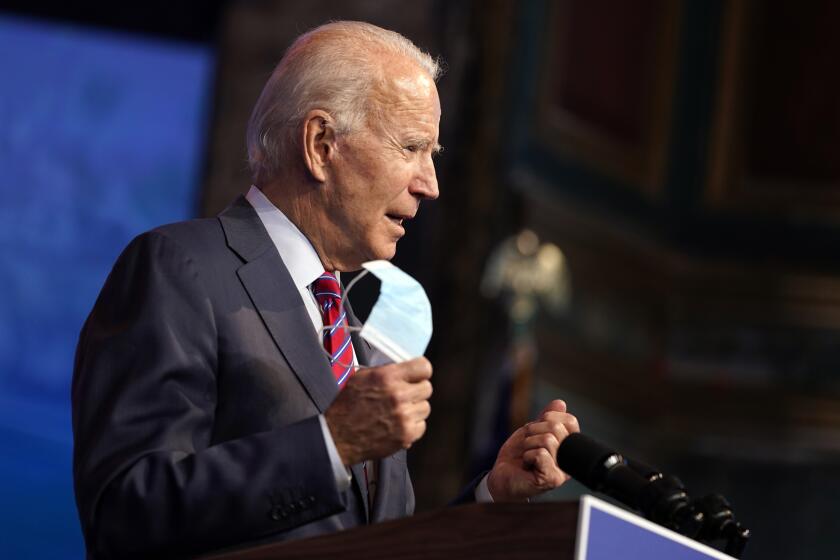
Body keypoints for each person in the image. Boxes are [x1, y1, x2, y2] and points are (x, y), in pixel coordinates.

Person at [72, 21, 580, 559]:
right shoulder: (181, 268)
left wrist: (490, 499)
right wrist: (331, 445)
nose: (430, 184)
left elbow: (373, 545)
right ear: (320, 145)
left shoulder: (355, 324)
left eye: (432, 153)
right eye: (411, 147)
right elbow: (125, 512)